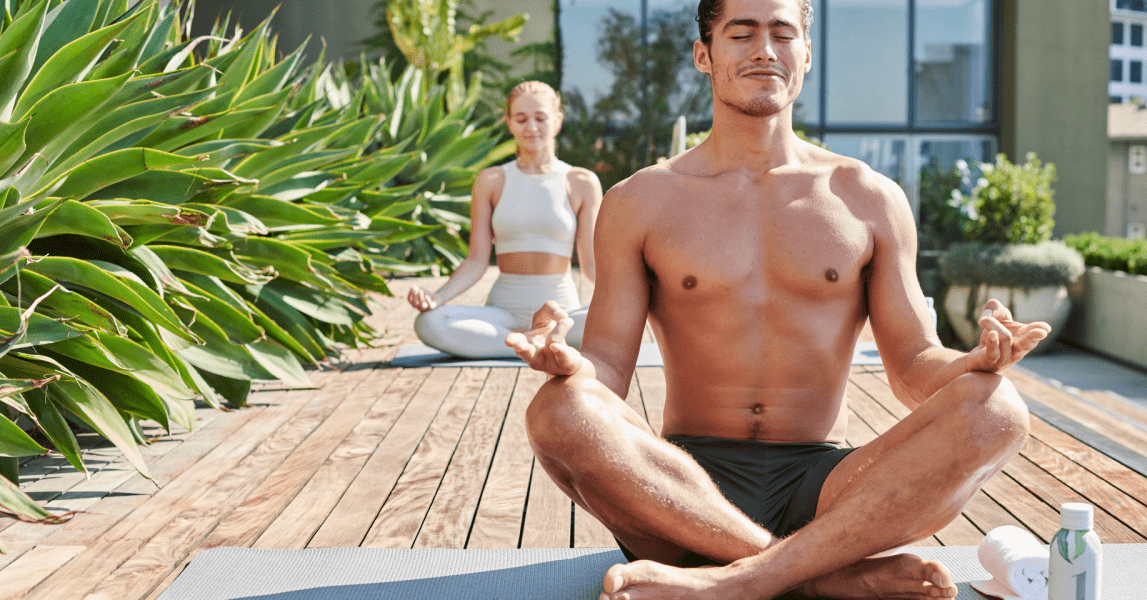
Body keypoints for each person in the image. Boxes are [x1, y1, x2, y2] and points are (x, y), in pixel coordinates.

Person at [506, 1, 1050, 598]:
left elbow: (914, 362)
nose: (764, 49)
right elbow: (607, 367)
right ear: (704, 56)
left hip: (825, 485)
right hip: (682, 489)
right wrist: (573, 365)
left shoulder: (867, 197)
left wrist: (972, 364)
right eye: (741, 34)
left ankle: (739, 582)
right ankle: (819, 575)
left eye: (782, 33)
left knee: (997, 407)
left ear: (806, 54)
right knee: (558, 409)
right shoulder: (642, 200)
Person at [408, 81, 603, 359]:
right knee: (429, 322)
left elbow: (591, 265)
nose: (531, 127)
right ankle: (533, 342)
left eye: (540, 118)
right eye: (521, 119)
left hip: (562, 314)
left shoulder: (581, 181)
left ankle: (525, 342)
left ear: (557, 121)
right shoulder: (491, 180)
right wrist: (438, 298)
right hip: (503, 314)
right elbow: (477, 259)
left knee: (623, 316)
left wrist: (635, 298)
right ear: (509, 123)